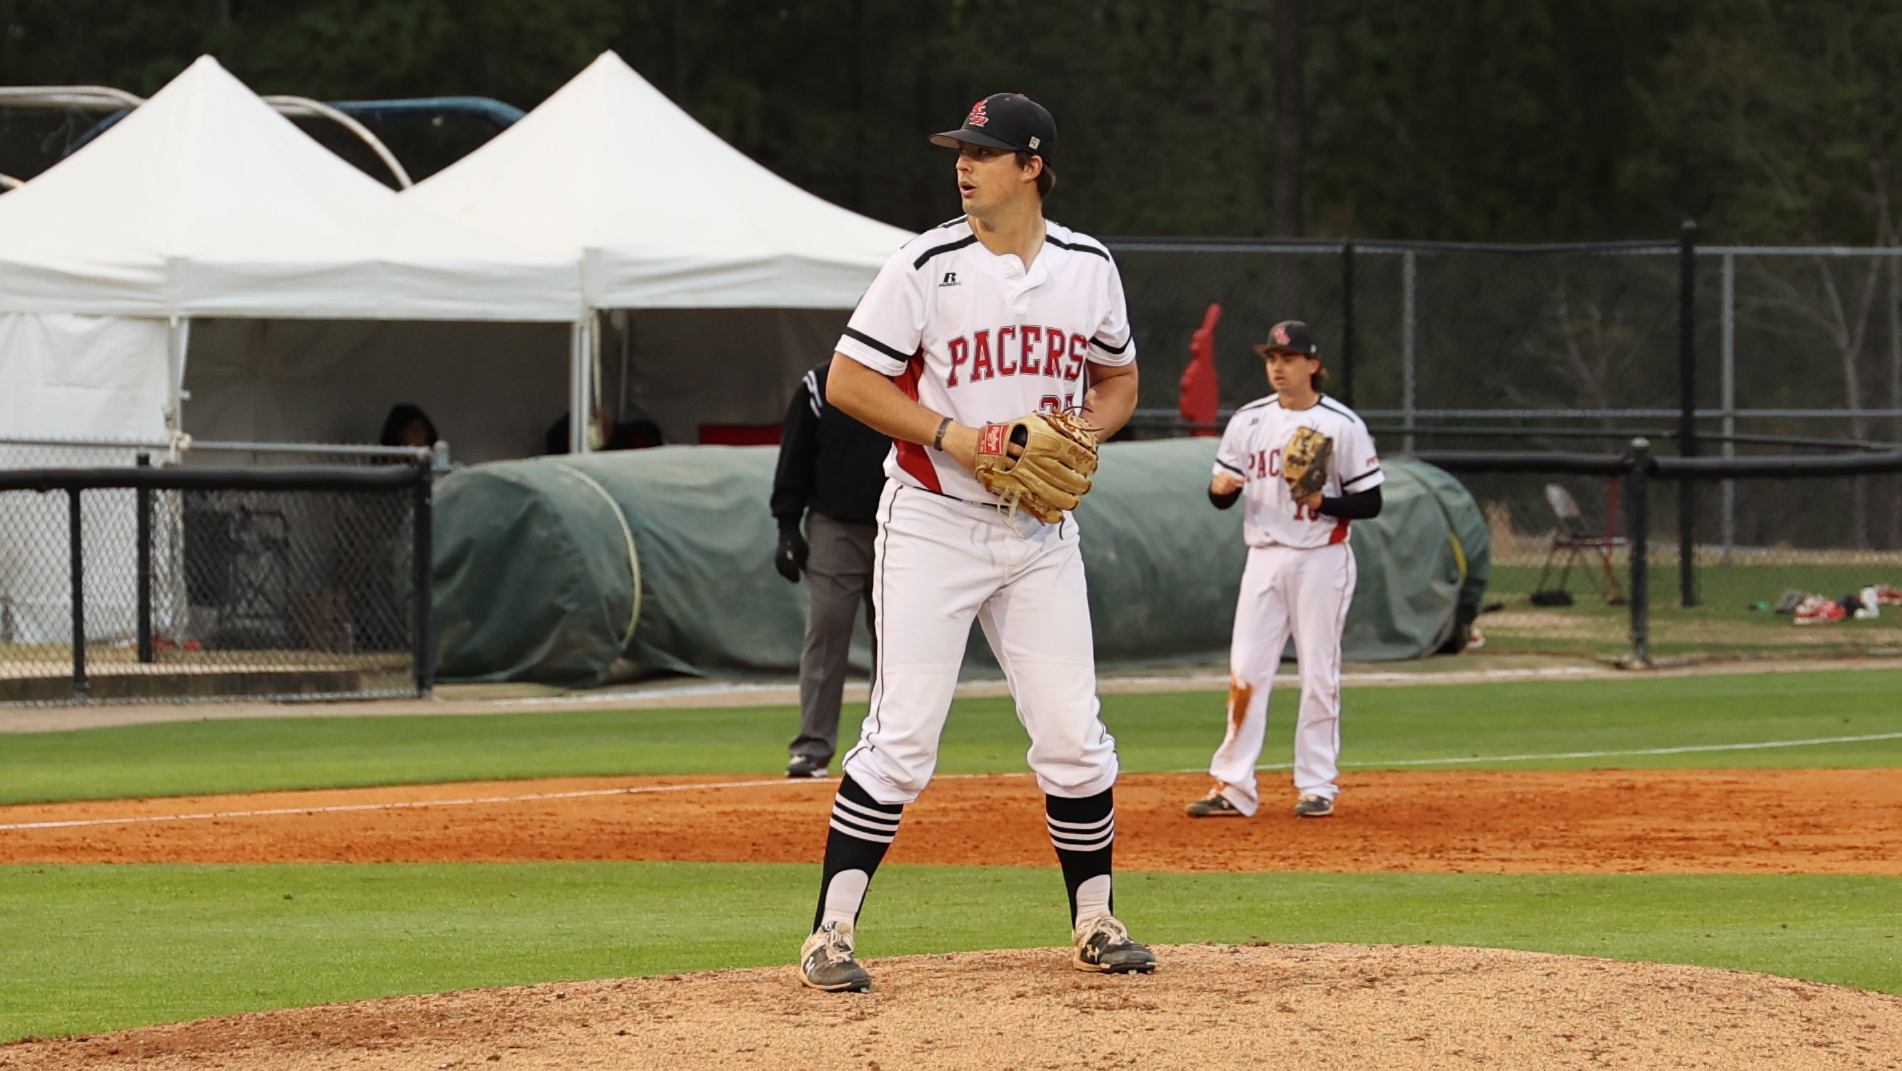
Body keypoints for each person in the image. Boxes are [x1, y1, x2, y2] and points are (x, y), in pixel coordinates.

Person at [797, 92, 1155, 992]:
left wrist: (1082, 430)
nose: (964, 163)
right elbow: (848, 379)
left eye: (985, 152)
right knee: (902, 737)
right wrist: (953, 435)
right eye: (961, 150)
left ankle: (1096, 920)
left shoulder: (1088, 266)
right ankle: (829, 935)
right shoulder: (925, 262)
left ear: (1032, 166)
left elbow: (1119, 381)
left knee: (1073, 734)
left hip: (1040, 530)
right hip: (934, 521)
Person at [1186, 321, 1383, 820]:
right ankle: (1233, 786)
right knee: (1246, 670)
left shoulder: (1341, 424)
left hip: (1321, 557)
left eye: (1288, 358)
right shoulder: (1248, 420)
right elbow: (1220, 494)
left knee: (1319, 673)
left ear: (1313, 365)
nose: (1278, 367)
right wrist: (1220, 490)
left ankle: (1317, 785)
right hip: (1263, 555)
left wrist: (1325, 503)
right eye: (1272, 358)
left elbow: (1371, 501)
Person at [771, 361, 892, 778]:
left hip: (904, 523)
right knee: (826, 629)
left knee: (897, 640)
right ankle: (812, 746)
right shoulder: (821, 384)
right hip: (835, 525)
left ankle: (888, 746)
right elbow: (795, 453)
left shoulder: (918, 378)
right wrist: (787, 526)